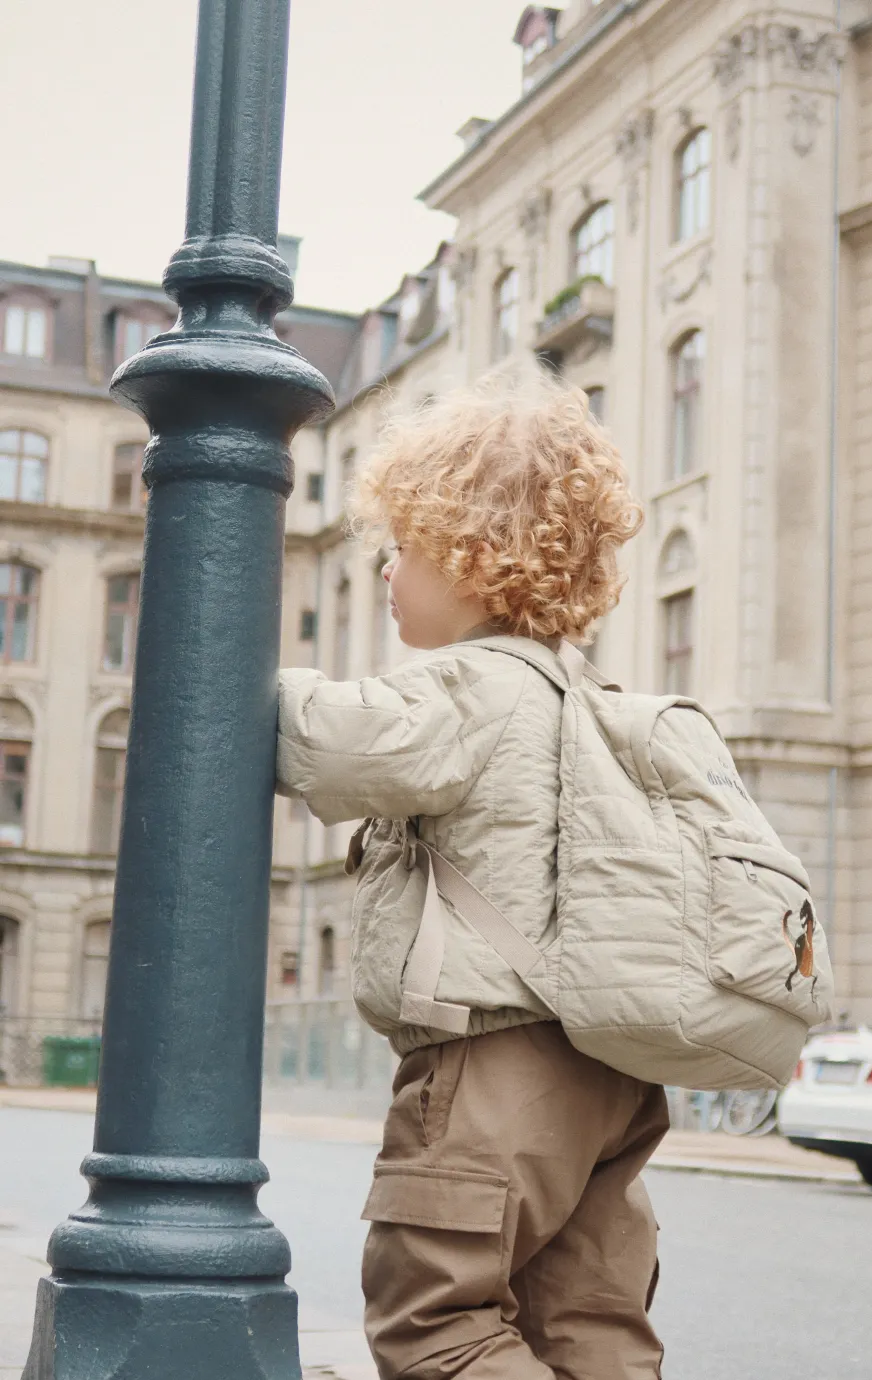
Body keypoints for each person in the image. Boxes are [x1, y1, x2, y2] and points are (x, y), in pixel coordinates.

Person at [277, 367, 669, 1380]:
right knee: (588, 1327)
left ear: (474, 553)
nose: (385, 572)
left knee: (436, 1322)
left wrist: (218, 656)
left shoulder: (470, 687)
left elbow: (322, 742)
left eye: (399, 549)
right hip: (611, 1069)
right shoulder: (586, 696)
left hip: (493, 1067)